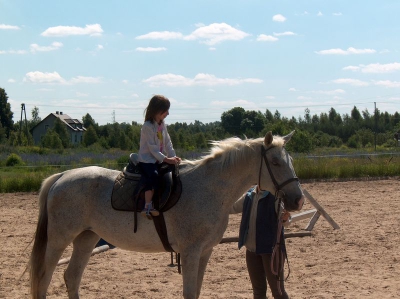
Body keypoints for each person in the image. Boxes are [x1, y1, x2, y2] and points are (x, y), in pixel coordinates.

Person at [230, 185, 291, 299]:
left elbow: (286, 221)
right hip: (252, 250)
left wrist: (285, 218)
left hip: (271, 250)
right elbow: (232, 207)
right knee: (258, 292)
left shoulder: (275, 197)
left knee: (278, 291)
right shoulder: (249, 195)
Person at [138, 95, 181, 217]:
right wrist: (167, 159)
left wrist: (174, 157)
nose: (168, 113)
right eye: (165, 110)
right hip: (147, 160)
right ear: (157, 110)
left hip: (158, 159)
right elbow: (153, 149)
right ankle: (147, 206)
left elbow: (167, 142)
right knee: (153, 176)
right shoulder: (147, 126)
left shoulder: (162, 125)